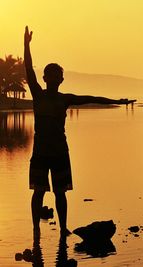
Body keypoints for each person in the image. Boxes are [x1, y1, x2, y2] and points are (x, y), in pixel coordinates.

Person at [24, 26, 135, 238]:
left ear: (61, 80)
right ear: (45, 78)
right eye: (51, 74)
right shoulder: (38, 94)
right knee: (38, 191)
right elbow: (28, 69)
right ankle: (36, 228)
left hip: (59, 152)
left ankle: (63, 226)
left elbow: (93, 98)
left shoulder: (65, 98)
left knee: (60, 192)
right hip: (40, 152)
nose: (55, 78)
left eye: (58, 75)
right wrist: (26, 45)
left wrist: (117, 101)